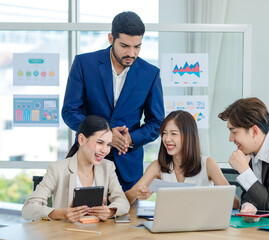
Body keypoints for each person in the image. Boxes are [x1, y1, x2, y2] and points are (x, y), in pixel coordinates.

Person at [61, 11, 164, 191]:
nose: (131, 53)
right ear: (111, 38)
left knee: (127, 218)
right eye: (125, 46)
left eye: (137, 47)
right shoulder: (84, 64)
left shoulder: (150, 73)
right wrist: (104, 134)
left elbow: (156, 123)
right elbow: (70, 112)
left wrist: (130, 138)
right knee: (84, 217)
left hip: (128, 168)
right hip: (87, 164)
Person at [22, 115, 130, 222]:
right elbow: (28, 209)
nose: (105, 150)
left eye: (108, 145)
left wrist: (109, 211)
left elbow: (123, 202)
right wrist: (63, 213)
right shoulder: (57, 169)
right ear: (82, 139)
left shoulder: (107, 167)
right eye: (100, 142)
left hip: (98, 234)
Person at [125, 110, 240, 209]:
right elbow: (128, 198)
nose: (167, 139)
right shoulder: (158, 166)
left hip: (201, 228)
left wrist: (210, 197)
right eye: (164, 133)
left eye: (174, 134)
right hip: (168, 227)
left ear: (188, 136)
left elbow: (235, 203)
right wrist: (138, 193)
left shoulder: (207, 164)